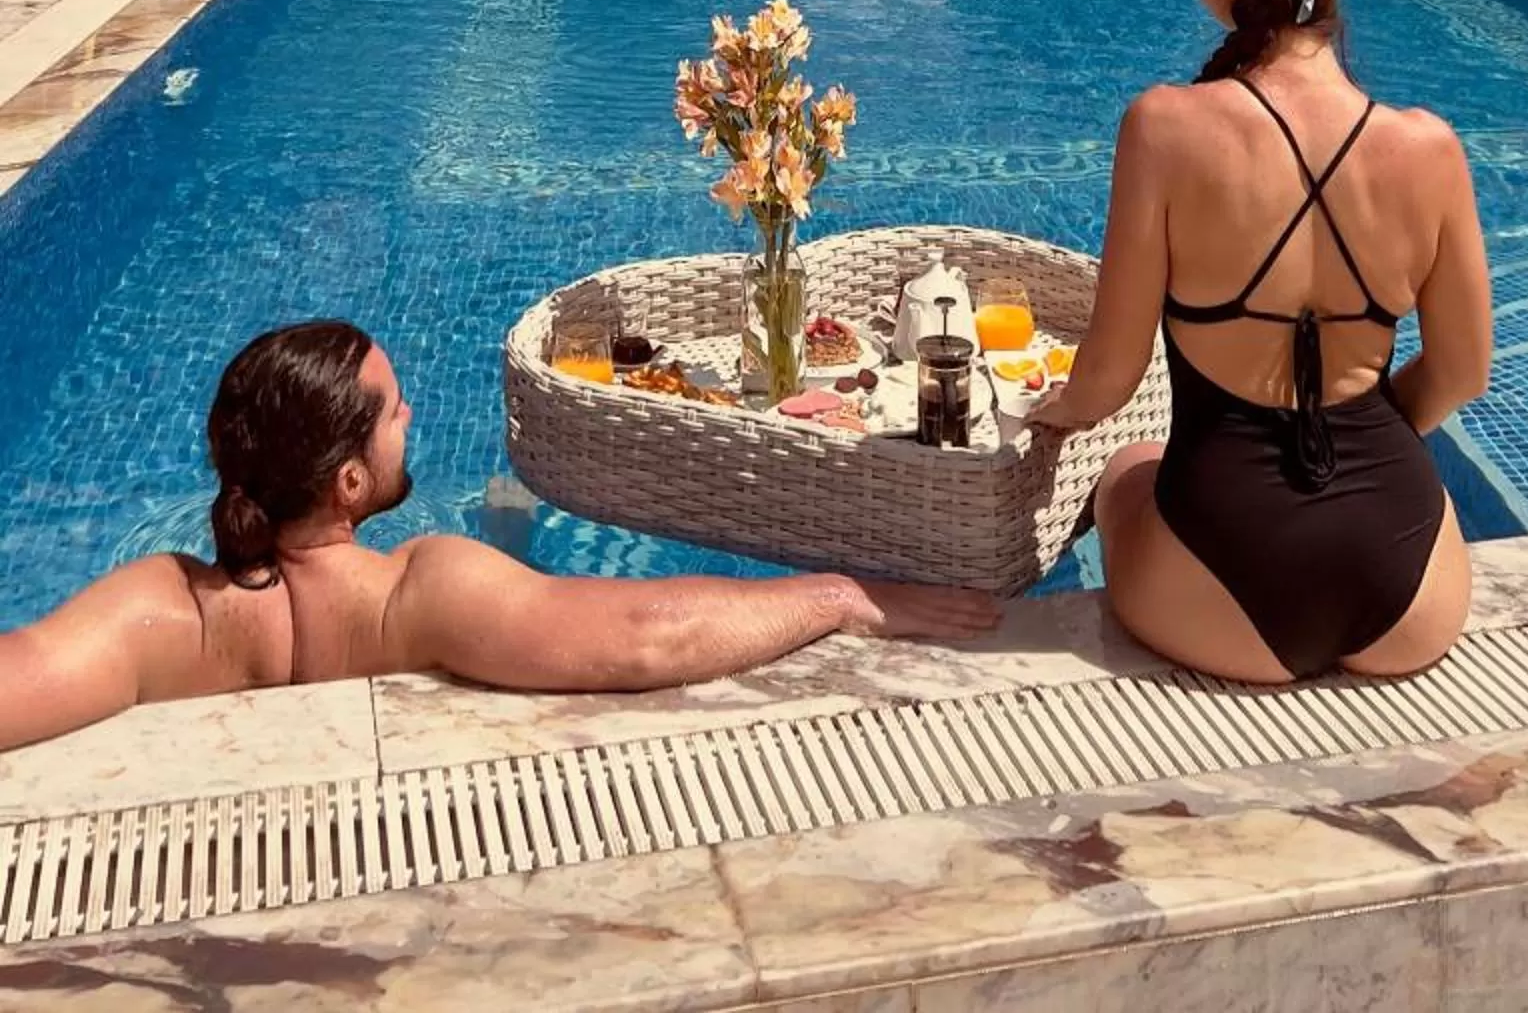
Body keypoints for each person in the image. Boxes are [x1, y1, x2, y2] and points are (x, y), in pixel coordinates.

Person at [0, 323, 999, 754]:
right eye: (391, 414)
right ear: (349, 481)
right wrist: (837, 595)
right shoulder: (418, 593)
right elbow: (645, 636)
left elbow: (24, 672)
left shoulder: (161, 609)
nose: (411, 417)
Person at [1034, 0, 1491, 684]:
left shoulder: (1166, 127)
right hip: (1409, 593)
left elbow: (1110, 381)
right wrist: (1351, 444)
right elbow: (1462, 374)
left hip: (1223, 583)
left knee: (1127, 467)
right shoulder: (1430, 148)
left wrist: (1045, 416)